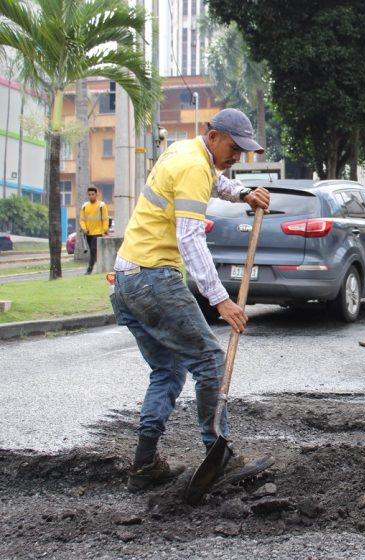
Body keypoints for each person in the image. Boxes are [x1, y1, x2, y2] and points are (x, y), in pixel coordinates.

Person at [110, 108, 274, 492]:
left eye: (243, 151)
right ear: (213, 135)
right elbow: (189, 238)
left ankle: (144, 465)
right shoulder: (193, 167)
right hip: (154, 277)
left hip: (126, 280)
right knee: (209, 361)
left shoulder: (186, 153)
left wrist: (243, 192)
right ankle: (221, 456)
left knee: (168, 371)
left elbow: (215, 183)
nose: (237, 156)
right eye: (233, 147)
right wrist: (220, 300)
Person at [79, 186, 110, 274]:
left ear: (96, 194)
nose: (91, 196)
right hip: (88, 233)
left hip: (98, 232)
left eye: (93, 194)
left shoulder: (101, 205)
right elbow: (82, 219)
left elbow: (105, 218)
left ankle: (89, 269)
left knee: (93, 250)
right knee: (93, 251)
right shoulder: (85, 206)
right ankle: (97, 265)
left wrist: (105, 229)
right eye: (89, 194)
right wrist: (84, 229)